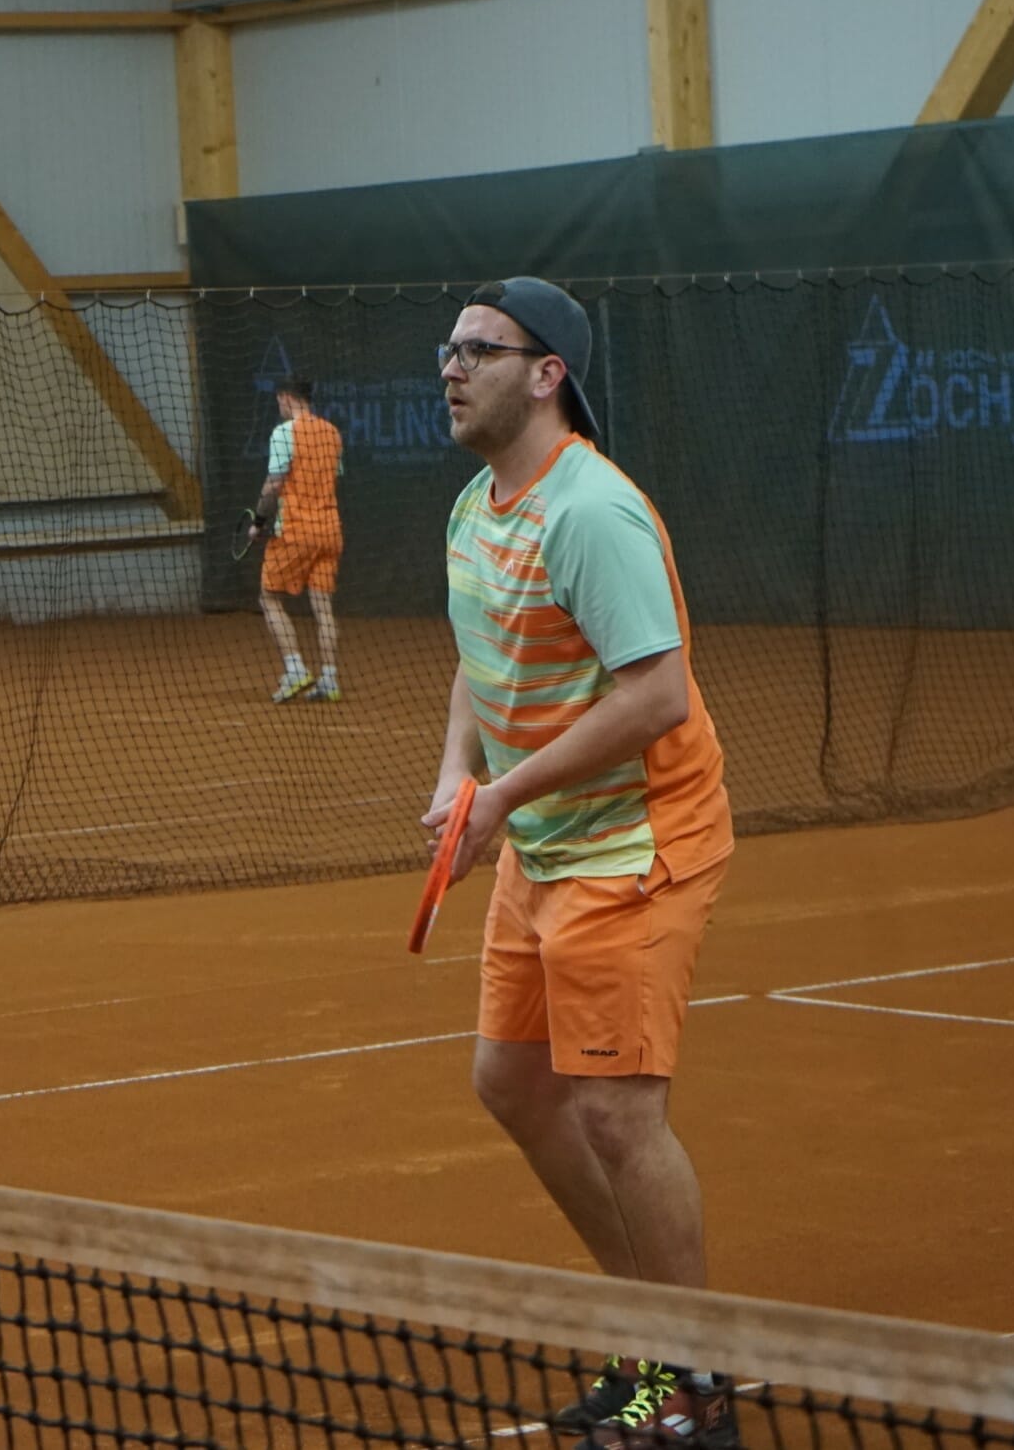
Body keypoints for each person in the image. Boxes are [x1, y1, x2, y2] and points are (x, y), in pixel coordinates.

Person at [422, 278, 737, 1450]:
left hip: (635, 843)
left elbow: (657, 693)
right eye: (449, 348)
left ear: (548, 373)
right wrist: (460, 774)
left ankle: (696, 1382)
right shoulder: (476, 505)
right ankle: (650, 1331)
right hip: (543, 838)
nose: (452, 367)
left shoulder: (591, 512)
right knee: (512, 1080)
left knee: (613, 1109)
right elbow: (481, 648)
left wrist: (503, 794)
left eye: (480, 350)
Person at [248, 376, 343, 702]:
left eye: (279, 400)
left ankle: (295, 669)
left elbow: (273, 484)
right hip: (330, 531)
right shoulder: (332, 433)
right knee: (323, 607)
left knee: (268, 598)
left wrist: (259, 522)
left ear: (287, 398)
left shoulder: (284, 433)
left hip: (296, 531)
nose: (279, 406)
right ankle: (329, 679)